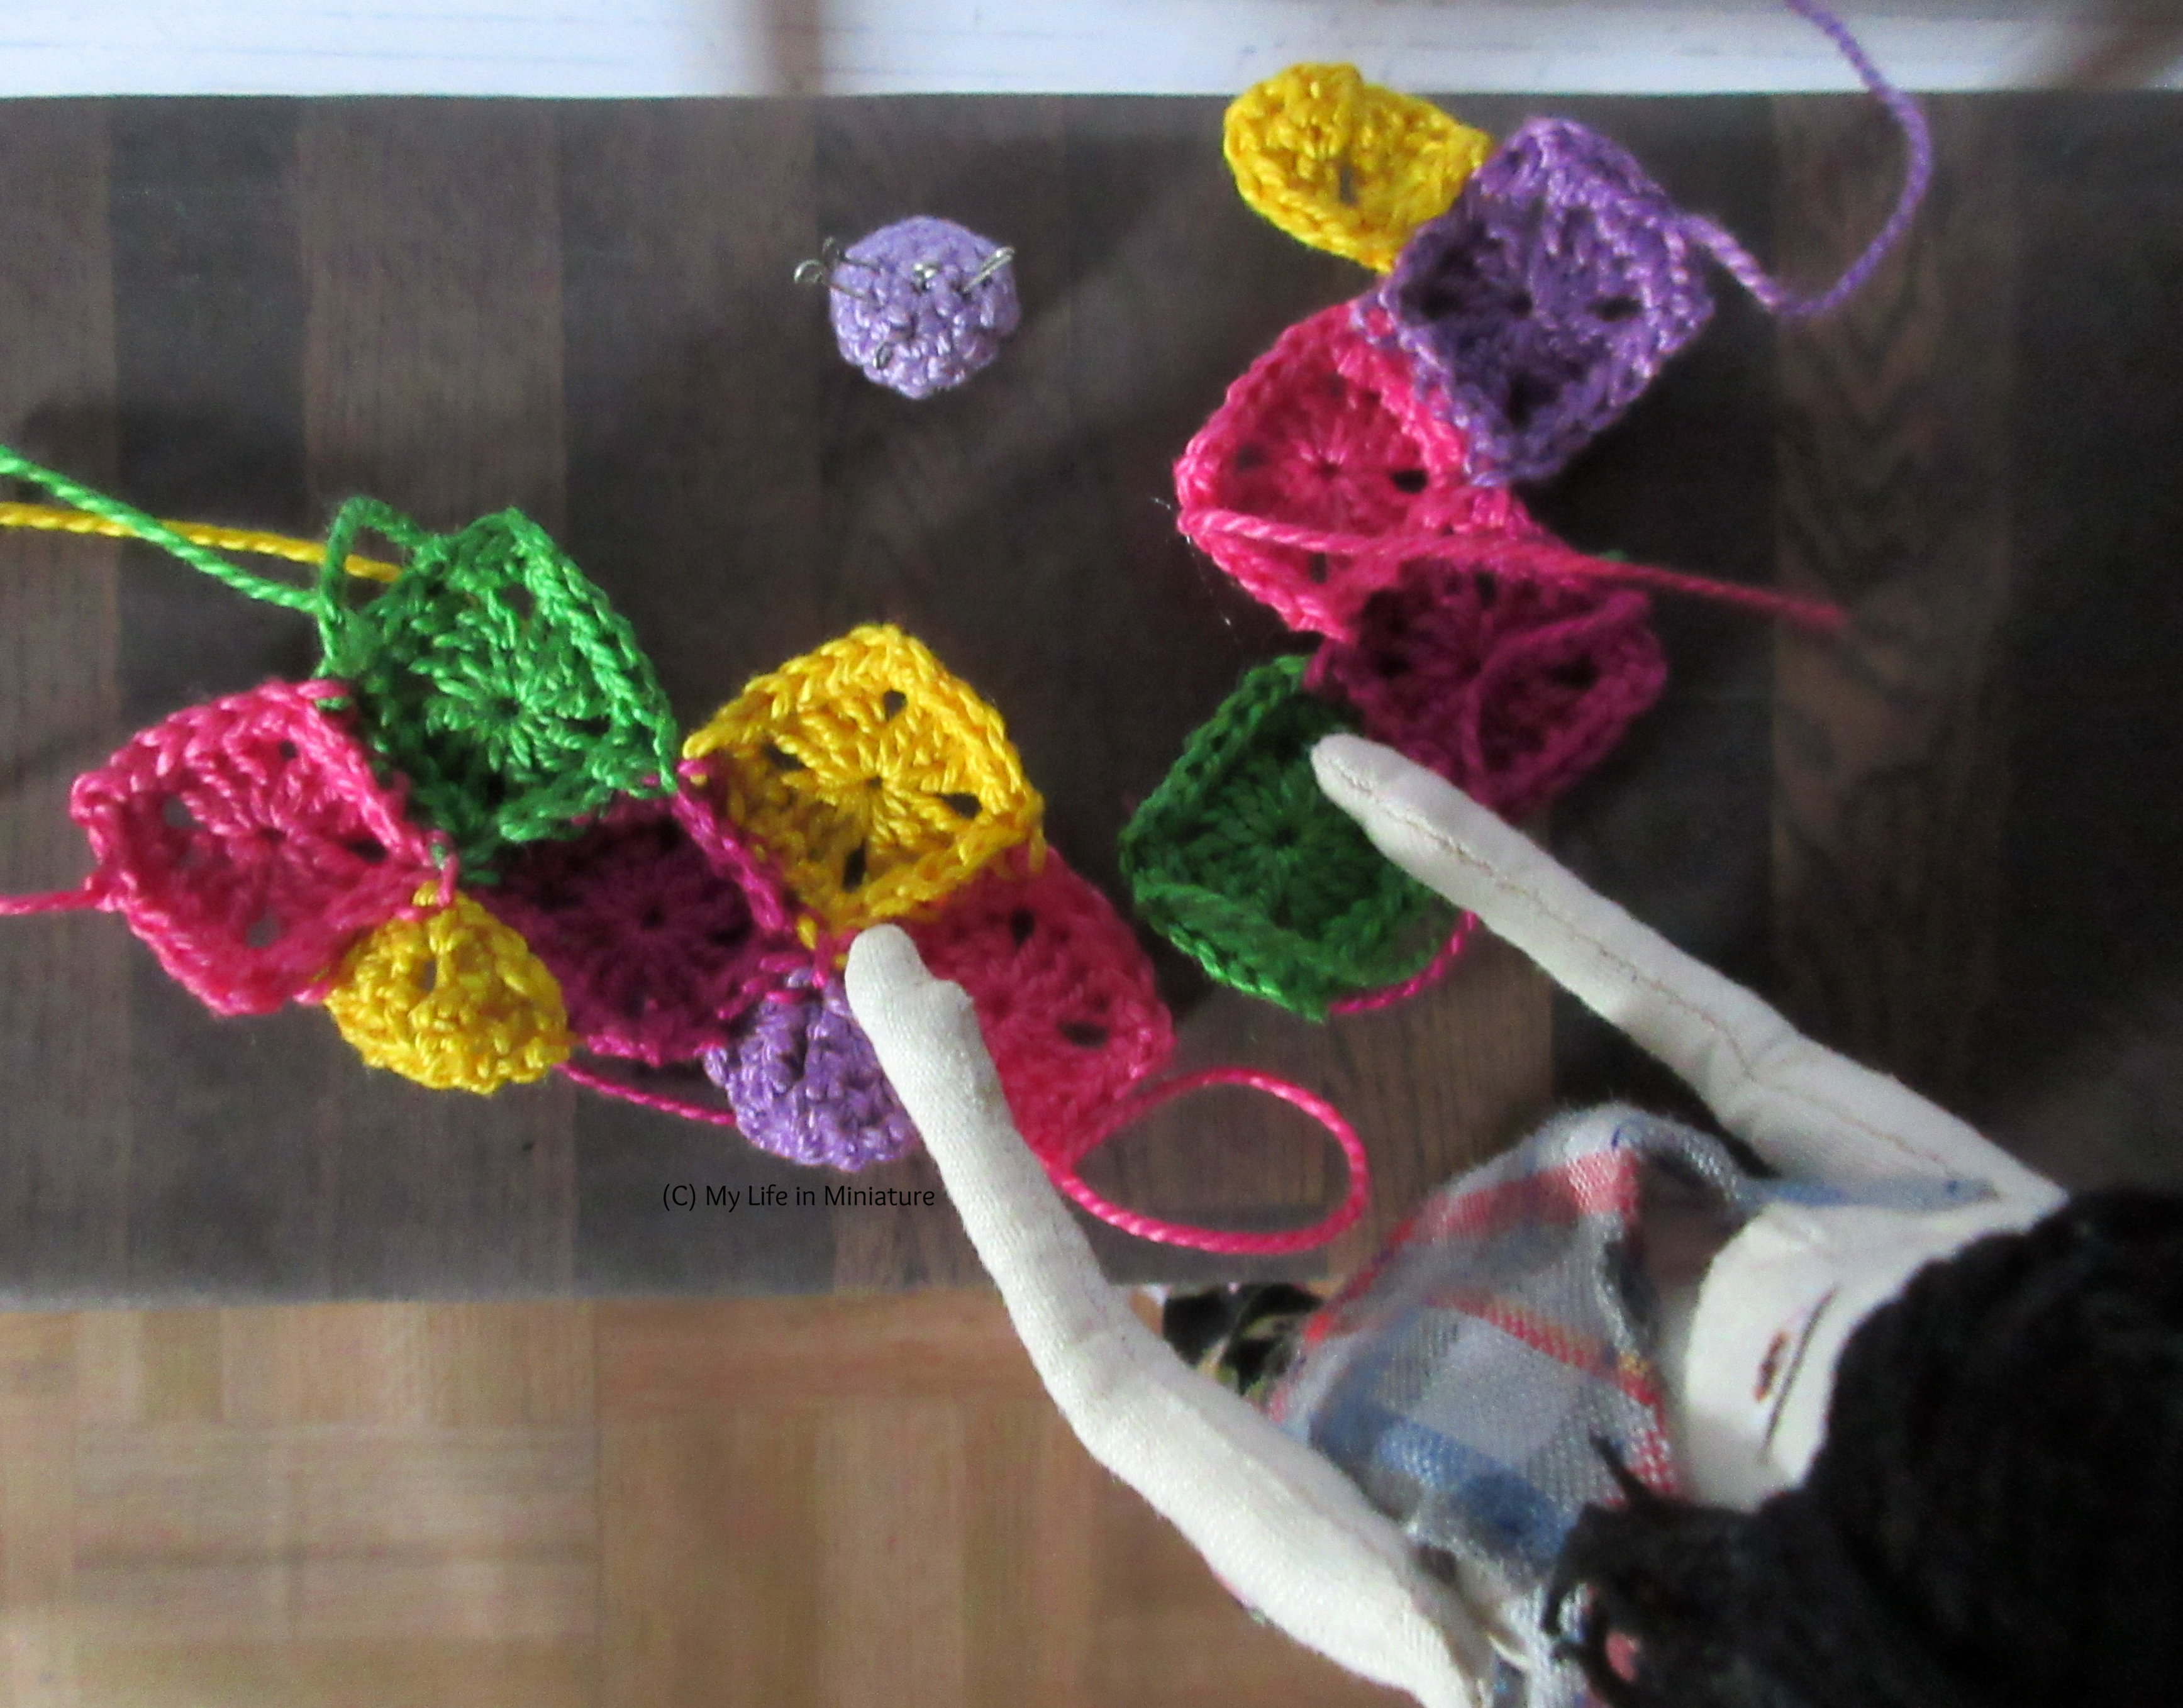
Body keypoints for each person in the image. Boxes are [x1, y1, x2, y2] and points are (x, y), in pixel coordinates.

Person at [841, 735, 2176, 1708]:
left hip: (1377, 1434)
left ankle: (1251, 1345)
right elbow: (1754, 1063)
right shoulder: (2075, 1296)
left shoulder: (1571, 1649)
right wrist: (1484, 864)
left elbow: (1104, 1385)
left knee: (1242, 1378)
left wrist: (955, 1106)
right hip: (1553, 1223)